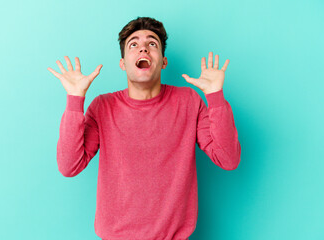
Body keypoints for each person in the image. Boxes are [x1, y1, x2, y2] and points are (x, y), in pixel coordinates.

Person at [47, 16, 241, 240]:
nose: (143, 49)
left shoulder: (189, 101)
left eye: (152, 44)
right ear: (122, 63)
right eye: (134, 44)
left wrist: (215, 97)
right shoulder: (103, 106)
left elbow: (228, 159)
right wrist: (75, 99)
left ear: (163, 61)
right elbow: (69, 166)